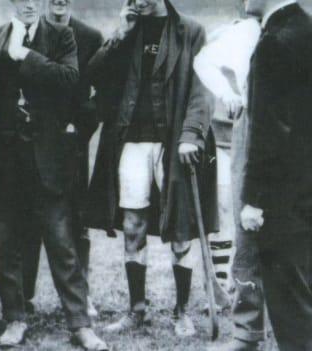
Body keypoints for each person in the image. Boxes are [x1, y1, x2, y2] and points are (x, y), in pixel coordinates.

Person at [0, 0, 108, 349]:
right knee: (6, 242)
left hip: (47, 161)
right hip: (3, 160)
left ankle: (79, 324)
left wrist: (24, 56)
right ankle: (14, 318)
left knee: (62, 244)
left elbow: (70, 80)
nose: (28, 4)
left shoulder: (62, 37)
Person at [86, 0, 217, 337]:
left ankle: (181, 311)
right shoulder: (128, 31)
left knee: (181, 227)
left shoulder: (190, 31)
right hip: (132, 140)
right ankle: (137, 309)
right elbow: (94, 75)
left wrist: (191, 134)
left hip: (176, 143)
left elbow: (203, 89)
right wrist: (120, 35)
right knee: (133, 224)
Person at [239, 1, 312, 350]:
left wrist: (254, 201)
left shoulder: (273, 42)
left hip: (281, 195)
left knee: (289, 297)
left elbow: (267, 132)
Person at [21, 0, 104, 318]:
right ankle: (25, 295)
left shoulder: (89, 36)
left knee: (75, 220)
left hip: (71, 146)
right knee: (29, 219)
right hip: (32, 144)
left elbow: (98, 93)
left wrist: (78, 129)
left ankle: (82, 294)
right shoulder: (30, 32)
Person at [193, 9, 264, 351]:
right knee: (236, 223)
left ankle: (283, 324)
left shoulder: (294, 32)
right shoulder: (236, 31)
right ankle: (239, 317)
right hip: (236, 138)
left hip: (280, 146)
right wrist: (227, 94)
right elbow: (203, 62)